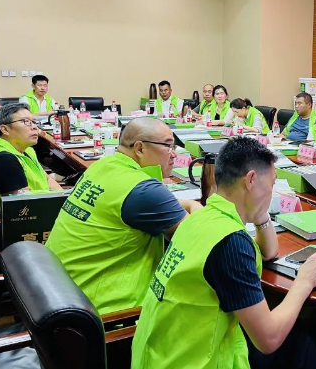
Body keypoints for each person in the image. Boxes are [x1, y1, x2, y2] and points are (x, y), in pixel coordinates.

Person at [131, 137, 316, 369]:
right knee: (303, 352)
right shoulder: (231, 243)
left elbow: (268, 252)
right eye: (272, 184)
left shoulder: (202, 217)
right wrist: (305, 281)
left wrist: (259, 211)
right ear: (251, 180)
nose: (272, 192)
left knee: (301, 344)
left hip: (162, 365)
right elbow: (268, 340)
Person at [46, 117, 201, 314]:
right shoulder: (143, 190)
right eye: (168, 146)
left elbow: (161, 203)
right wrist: (197, 208)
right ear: (140, 148)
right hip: (102, 309)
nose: (174, 154)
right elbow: (200, 238)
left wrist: (191, 204)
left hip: (60, 288)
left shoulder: (103, 166)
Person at [0, 103, 62, 208]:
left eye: (34, 122)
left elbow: (47, 179)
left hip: (46, 204)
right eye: (26, 121)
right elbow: (23, 205)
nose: (34, 127)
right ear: (5, 129)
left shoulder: (27, 150)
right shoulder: (3, 159)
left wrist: (64, 200)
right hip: (35, 213)